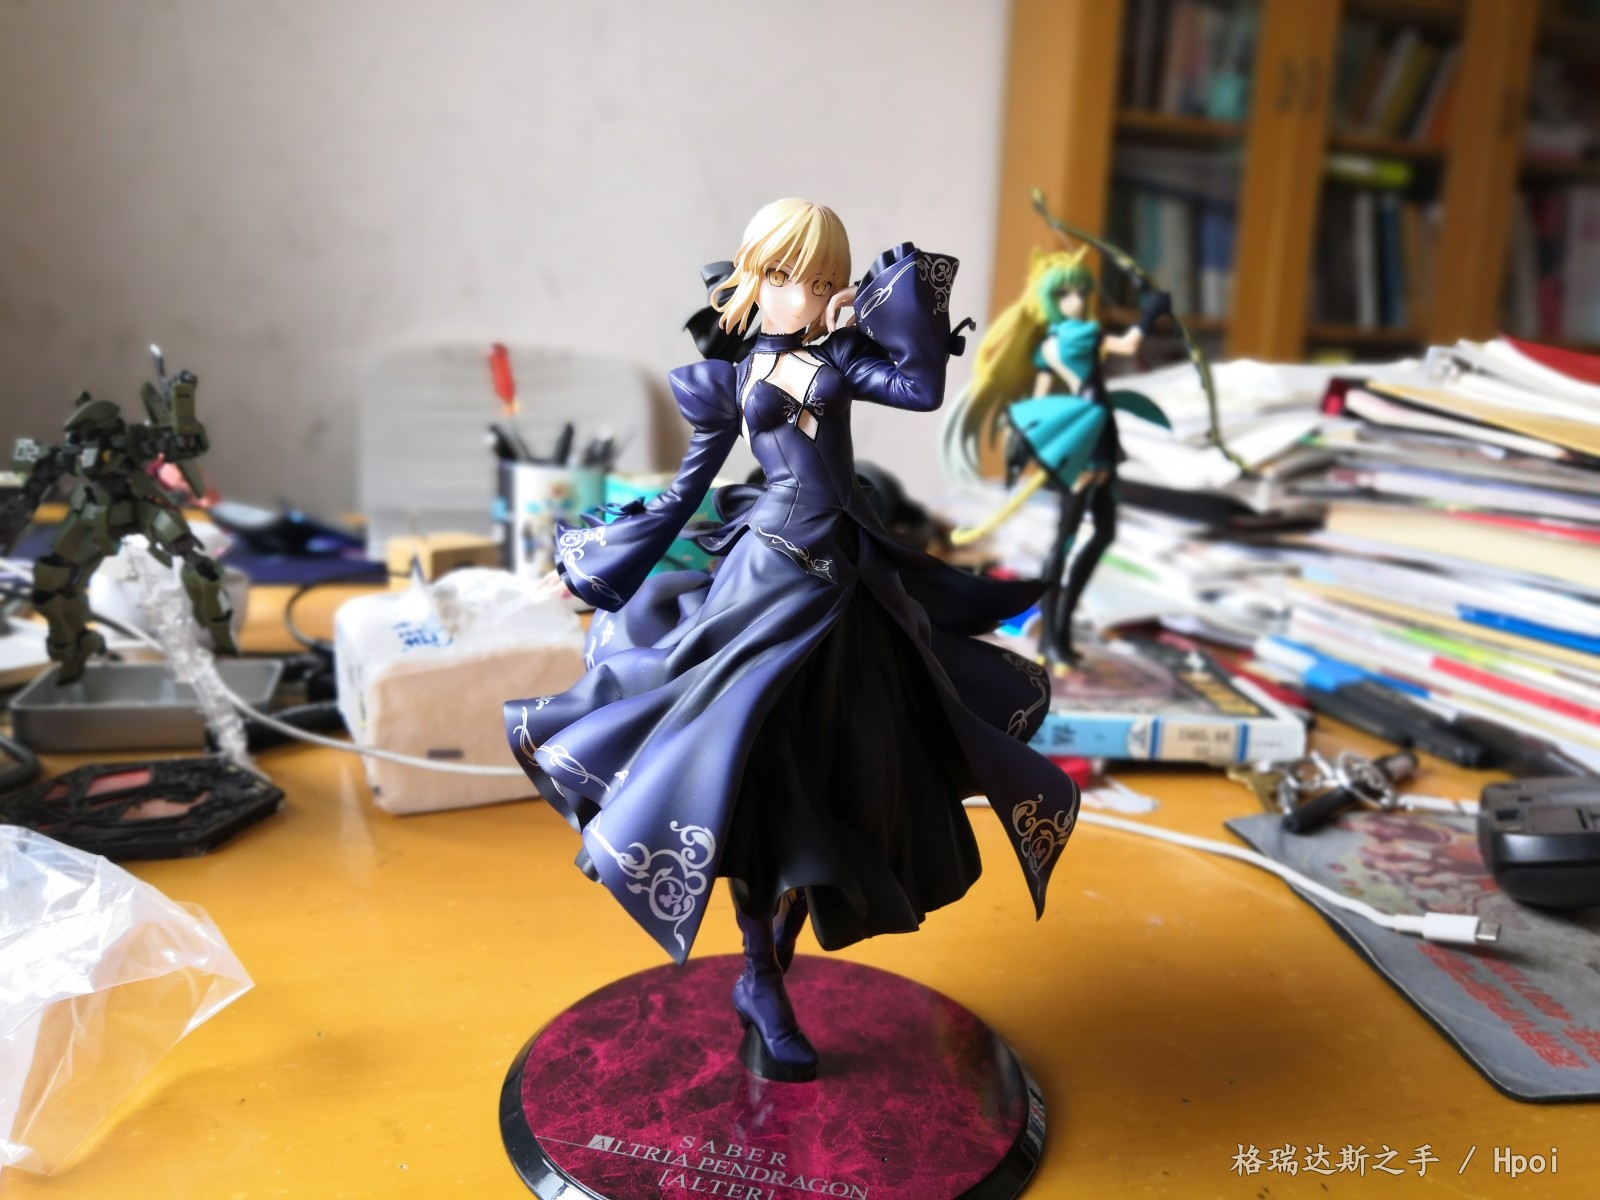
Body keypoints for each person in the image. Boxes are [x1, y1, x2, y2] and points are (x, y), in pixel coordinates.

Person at [505, 199, 1078, 1083]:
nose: (801, 297)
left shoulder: (842, 357)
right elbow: (682, 493)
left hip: (848, 583)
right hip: (764, 580)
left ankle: (773, 952)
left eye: (820, 280)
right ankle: (760, 976)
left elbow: (921, 389)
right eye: (782, 277)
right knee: (749, 769)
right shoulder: (731, 376)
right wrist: (589, 572)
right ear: (751, 276)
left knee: (848, 771)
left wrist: (898, 304)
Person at [941, 247, 1173, 667]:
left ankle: (1058, 629)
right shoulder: (1072, 338)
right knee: (1067, 538)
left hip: (1096, 431)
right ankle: (1053, 634)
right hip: (1086, 434)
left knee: (1099, 533)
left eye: (1081, 291)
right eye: (1065, 293)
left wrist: (1034, 439)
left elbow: (1041, 399)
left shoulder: (1054, 342)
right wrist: (1152, 310)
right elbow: (1128, 344)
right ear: (1049, 298)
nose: (1076, 300)